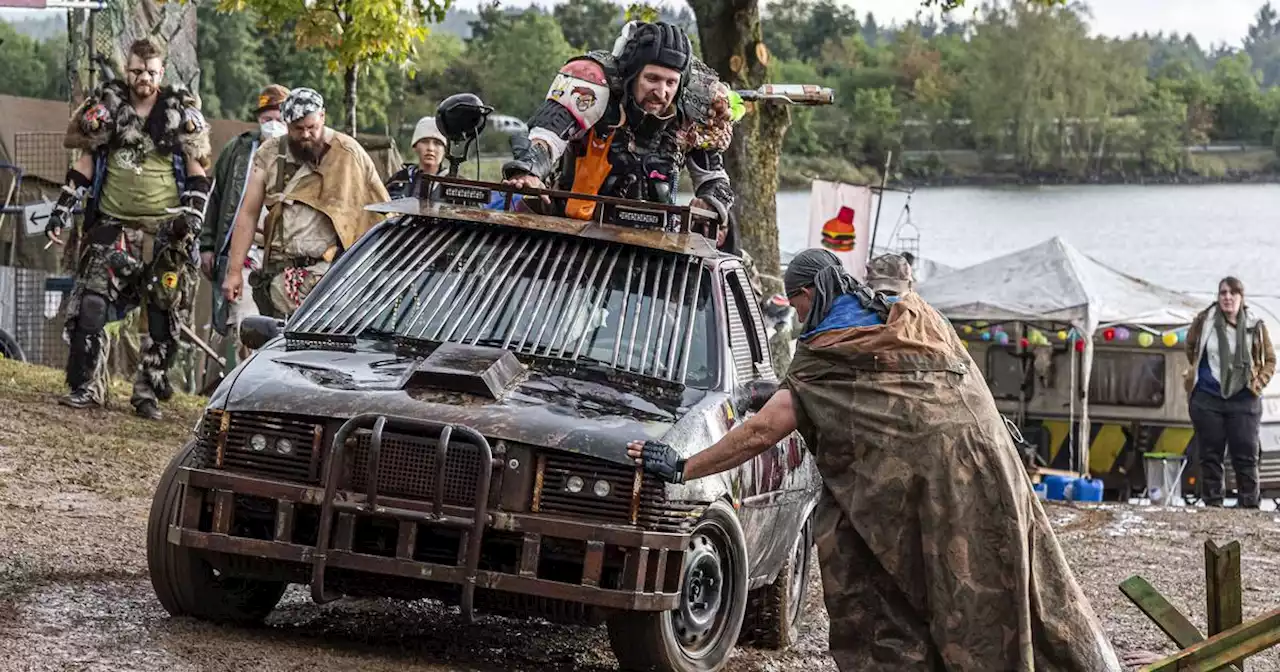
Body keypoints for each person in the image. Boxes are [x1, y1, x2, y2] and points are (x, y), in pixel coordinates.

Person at [628, 249, 1122, 672]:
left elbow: (759, 433)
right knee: (1008, 579)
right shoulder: (910, 312)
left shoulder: (825, 357)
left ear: (813, 290)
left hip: (935, 484)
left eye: (797, 301)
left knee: (949, 590)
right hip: (992, 460)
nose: (798, 316)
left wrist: (682, 465)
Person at [45, 37, 212, 420]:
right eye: (137, 70)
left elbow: (197, 171)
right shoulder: (109, 109)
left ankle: (146, 394)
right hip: (112, 226)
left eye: (151, 72)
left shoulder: (177, 112)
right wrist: (62, 211)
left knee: (162, 316)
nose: (144, 78)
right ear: (127, 70)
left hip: (163, 233)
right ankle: (87, 386)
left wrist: (193, 217)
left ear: (162, 73)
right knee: (91, 306)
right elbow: (85, 163)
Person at [500, 21, 737, 249]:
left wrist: (710, 202)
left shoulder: (691, 114)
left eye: (670, 82)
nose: (661, 91)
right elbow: (547, 137)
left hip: (655, 247)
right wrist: (528, 172)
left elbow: (715, 178)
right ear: (633, 74)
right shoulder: (594, 89)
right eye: (652, 78)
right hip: (574, 237)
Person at [220, 88, 391, 319]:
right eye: (298, 129)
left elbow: (379, 215)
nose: (306, 135)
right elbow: (248, 213)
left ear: (322, 117)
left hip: (332, 280)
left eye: (312, 128)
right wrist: (234, 272)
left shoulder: (348, 154)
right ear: (287, 124)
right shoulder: (269, 154)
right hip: (281, 279)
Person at [201, 83, 290, 363]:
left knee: (284, 330)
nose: (272, 124)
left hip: (285, 256)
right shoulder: (238, 151)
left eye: (279, 118)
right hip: (245, 253)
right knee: (246, 326)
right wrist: (206, 244)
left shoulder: (301, 154)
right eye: (267, 119)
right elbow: (215, 198)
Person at [1184, 276, 1276, 508]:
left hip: (1244, 398)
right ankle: (1213, 503)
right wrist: (1199, 374)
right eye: (1223, 293)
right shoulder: (1204, 321)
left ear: (1241, 298)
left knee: (1245, 453)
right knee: (1210, 453)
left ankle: (1249, 505)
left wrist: (1258, 383)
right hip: (1208, 396)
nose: (1227, 298)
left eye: (1232, 293)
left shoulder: (1256, 325)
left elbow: (1270, 360)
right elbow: (1191, 348)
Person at [385, 116, 446, 198]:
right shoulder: (398, 180)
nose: (430, 148)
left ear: (445, 150)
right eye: (425, 142)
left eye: (437, 143)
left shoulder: (455, 184)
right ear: (415, 146)